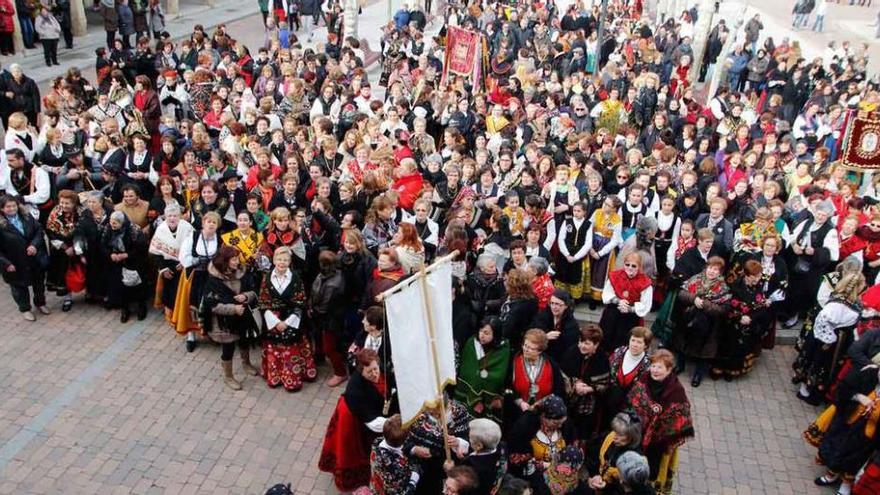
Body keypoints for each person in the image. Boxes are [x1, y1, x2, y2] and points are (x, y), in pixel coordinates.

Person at [319, 349, 395, 493]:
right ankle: (358, 483)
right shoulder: (356, 389)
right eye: (369, 371)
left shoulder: (383, 371)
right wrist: (392, 423)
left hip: (370, 415)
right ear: (361, 372)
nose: (374, 373)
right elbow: (372, 422)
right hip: (354, 420)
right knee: (352, 451)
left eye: (375, 369)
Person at [793, 272, 867, 405]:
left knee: (824, 366)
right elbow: (823, 319)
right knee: (818, 364)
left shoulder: (851, 302)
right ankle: (807, 391)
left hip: (837, 341)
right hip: (827, 341)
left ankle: (814, 390)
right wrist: (829, 338)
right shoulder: (839, 305)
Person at [627, 350, 694, 495]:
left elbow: (680, 416)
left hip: (659, 441)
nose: (654, 370)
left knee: (653, 469)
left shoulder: (676, 391)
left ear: (669, 370)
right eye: (653, 366)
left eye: (659, 367)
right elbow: (635, 400)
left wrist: (659, 424)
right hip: (638, 431)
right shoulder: (644, 378)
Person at [807, 364, 880, 495]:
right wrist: (858, 397)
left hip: (868, 434)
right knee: (836, 448)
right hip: (847, 421)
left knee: (856, 458)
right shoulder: (868, 372)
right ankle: (831, 476)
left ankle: (846, 485)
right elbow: (843, 389)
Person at [199, 245, 258, 390]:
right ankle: (228, 376)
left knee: (244, 340)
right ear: (224, 261)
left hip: (242, 316)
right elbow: (212, 305)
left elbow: (254, 290)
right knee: (228, 347)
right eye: (233, 259)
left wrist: (246, 296)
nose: (237, 262)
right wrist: (233, 309)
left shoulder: (242, 272)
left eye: (237, 258)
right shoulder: (213, 280)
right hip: (223, 321)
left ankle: (246, 363)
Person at [258, 246, 317, 392]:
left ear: (290, 261)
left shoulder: (296, 278)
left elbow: (300, 302)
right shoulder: (266, 278)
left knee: (291, 351)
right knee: (274, 349)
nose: (282, 263)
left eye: (285, 260)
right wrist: (276, 322)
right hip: (272, 320)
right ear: (274, 260)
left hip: (292, 320)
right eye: (279, 259)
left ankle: (292, 380)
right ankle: (275, 377)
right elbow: (263, 302)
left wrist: (287, 322)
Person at [174, 210, 222, 350]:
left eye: (214, 222)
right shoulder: (193, 237)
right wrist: (197, 260)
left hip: (211, 277)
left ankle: (210, 332)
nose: (211, 225)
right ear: (203, 223)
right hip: (194, 276)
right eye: (209, 222)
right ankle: (191, 336)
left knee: (211, 304)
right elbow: (184, 258)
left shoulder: (219, 239)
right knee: (192, 304)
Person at [0, 194, 49, 321]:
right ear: (2, 209)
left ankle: (40, 303)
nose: (12, 209)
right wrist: (6, 263)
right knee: (19, 287)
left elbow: (39, 230)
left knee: (39, 283)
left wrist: (34, 245)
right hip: (14, 262)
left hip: (33, 258)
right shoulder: (2, 225)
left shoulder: (27, 216)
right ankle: (25, 308)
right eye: (8, 207)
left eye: (14, 205)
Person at [559, 323, 610, 443]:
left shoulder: (602, 359)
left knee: (584, 434)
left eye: (587, 343)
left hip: (589, 407)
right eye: (581, 341)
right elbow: (561, 375)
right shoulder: (571, 352)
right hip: (568, 403)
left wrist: (590, 389)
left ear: (596, 345)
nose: (582, 345)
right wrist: (574, 384)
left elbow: (605, 383)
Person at [455, 317, 512, 424]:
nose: (482, 335)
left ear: (495, 334)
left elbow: (498, 375)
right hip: (467, 393)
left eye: (486, 333)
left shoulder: (503, 348)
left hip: (490, 397)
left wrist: (481, 378)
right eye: (480, 331)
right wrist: (476, 396)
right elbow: (467, 370)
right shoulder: (472, 343)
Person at [101, 210, 149, 322]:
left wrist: (127, 255)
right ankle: (125, 309)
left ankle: (141, 307)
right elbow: (103, 244)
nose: (112, 225)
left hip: (134, 263)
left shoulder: (134, 231)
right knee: (121, 287)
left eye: (115, 223)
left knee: (137, 286)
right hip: (116, 263)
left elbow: (141, 249)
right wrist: (111, 254)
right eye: (111, 222)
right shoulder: (108, 228)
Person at [600, 252, 653, 351]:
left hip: (631, 317)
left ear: (639, 267)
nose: (630, 268)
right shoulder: (615, 276)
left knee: (624, 342)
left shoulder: (645, 282)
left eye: (634, 266)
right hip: (613, 312)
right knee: (606, 337)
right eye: (627, 265)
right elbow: (607, 293)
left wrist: (630, 309)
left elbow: (646, 304)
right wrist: (618, 301)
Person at [149, 204, 193, 323]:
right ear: (165, 217)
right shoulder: (161, 229)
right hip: (167, 265)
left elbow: (194, 248)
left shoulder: (187, 228)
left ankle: (184, 316)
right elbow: (154, 252)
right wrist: (163, 269)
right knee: (169, 291)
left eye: (175, 216)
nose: (172, 218)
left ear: (180, 216)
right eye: (169, 216)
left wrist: (185, 262)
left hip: (184, 265)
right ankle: (172, 315)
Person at [310, 250, 348, 387]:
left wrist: (314, 310)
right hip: (323, 315)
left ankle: (340, 372)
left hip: (329, 319)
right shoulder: (327, 275)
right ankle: (319, 358)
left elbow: (325, 306)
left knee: (329, 347)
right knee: (318, 337)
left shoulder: (334, 283)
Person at [588, 412, 644, 494]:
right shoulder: (612, 436)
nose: (614, 437)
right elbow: (598, 458)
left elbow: (626, 490)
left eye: (620, 434)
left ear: (632, 436)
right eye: (615, 431)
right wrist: (595, 476)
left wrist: (605, 487)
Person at [45, 190, 81, 312]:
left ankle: (89, 293)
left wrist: (75, 247)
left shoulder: (80, 213)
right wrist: (65, 247)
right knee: (63, 274)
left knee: (81, 272)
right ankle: (67, 298)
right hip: (60, 250)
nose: (64, 206)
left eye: (67, 203)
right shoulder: (55, 214)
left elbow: (82, 232)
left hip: (77, 248)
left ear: (74, 204)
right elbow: (50, 233)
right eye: (62, 203)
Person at [606, 326, 652, 419]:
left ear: (646, 345)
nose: (634, 344)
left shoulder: (648, 364)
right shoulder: (618, 352)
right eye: (633, 340)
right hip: (609, 402)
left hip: (629, 410)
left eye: (639, 342)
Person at [369, 414, 421, 494]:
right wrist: (413, 481)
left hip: (377, 487)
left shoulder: (377, 442)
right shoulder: (396, 466)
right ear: (405, 439)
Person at [531, 288, 580, 362]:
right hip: (540, 355)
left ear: (566, 306)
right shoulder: (543, 315)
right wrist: (545, 337)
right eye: (552, 303)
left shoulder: (571, 324)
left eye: (557, 304)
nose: (554, 307)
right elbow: (533, 332)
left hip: (559, 359)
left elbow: (569, 347)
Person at [461, 418, 506, 495]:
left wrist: (449, 469)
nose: (468, 438)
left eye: (470, 437)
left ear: (479, 445)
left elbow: (462, 486)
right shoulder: (502, 446)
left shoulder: (471, 465)